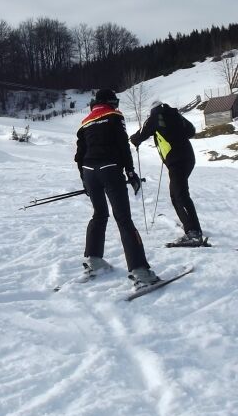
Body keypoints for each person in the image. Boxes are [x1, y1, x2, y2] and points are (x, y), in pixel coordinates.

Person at [74, 88, 157, 290]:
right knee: (123, 219)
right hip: (110, 169)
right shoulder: (114, 116)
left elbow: (79, 154)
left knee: (99, 214)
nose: (116, 105)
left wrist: (84, 180)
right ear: (110, 102)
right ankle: (141, 273)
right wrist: (130, 172)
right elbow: (123, 145)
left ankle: (94, 261)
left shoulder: (86, 121)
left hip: (89, 171)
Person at [130, 100, 203, 246]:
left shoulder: (155, 117)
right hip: (188, 158)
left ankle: (193, 232)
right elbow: (191, 131)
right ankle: (191, 226)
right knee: (176, 194)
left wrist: (133, 139)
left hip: (176, 161)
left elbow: (141, 134)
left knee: (179, 195)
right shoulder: (176, 115)